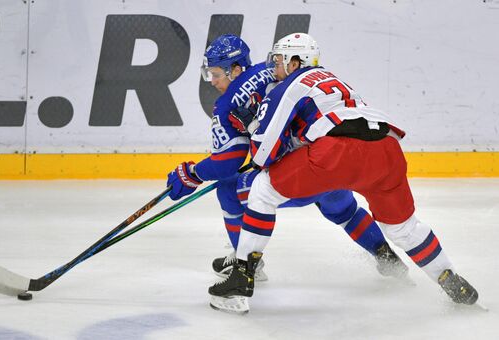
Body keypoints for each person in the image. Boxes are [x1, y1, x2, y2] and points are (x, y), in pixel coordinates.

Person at [208, 33, 479, 313]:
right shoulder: (334, 79)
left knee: (262, 190)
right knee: (404, 228)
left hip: (337, 153)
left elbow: (264, 155)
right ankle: (452, 281)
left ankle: (241, 279)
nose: (274, 68)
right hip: (386, 148)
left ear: (294, 62)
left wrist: (253, 127)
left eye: (278, 61)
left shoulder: (288, 86)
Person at [166, 34, 408, 285]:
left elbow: (228, 163)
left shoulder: (227, 104)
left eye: (215, 74)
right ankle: (387, 257)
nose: (212, 81)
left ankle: (247, 266)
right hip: (330, 160)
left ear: (235, 69)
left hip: (299, 172)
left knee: (228, 190)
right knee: (342, 207)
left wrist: (192, 174)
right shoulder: (274, 69)